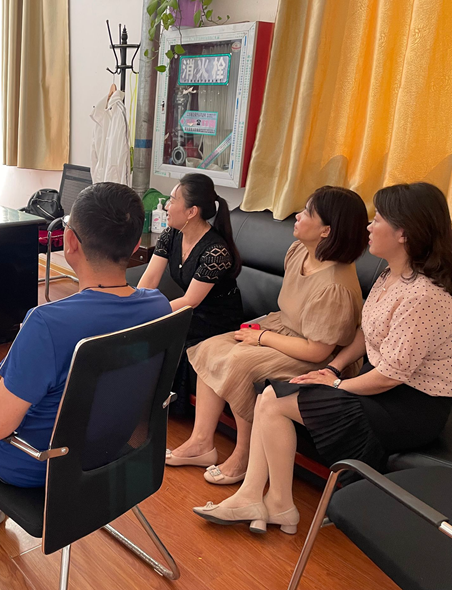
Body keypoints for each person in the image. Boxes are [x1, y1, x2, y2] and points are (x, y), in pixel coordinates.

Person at [194, 182, 452, 534]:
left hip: (407, 407)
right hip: (379, 386)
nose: (369, 226)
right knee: (270, 395)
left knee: (275, 399)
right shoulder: (391, 275)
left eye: (378, 219)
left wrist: (337, 384)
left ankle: (266, 501)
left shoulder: (425, 296)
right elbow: (366, 333)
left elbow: (390, 376)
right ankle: (268, 501)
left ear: (404, 233)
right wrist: (333, 367)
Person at [0, 182, 172, 526]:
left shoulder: (48, 323)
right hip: (112, 450)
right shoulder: (158, 307)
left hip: (33, 464)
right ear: (136, 245)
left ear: (69, 242)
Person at [168, 186, 370, 488]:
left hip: (315, 353)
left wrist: (261, 338)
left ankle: (243, 454)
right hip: (282, 328)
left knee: (239, 363)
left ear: (326, 230)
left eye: (307, 213)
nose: (297, 216)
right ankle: (201, 443)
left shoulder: (334, 286)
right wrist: (260, 333)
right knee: (210, 347)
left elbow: (317, 351)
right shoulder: (299, 251)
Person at [139, 173, 244, 346]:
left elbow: (190, 301)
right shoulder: (171, 234)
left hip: (216, 321)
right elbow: (150, 278)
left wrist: (149, 313)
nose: (166, 206)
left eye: (172, 201)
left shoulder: (216, 252)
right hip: (190, 313)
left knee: (154, 335)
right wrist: (135, 305)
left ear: (191, 212)